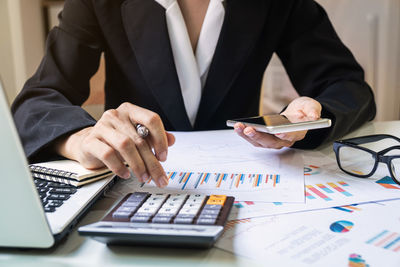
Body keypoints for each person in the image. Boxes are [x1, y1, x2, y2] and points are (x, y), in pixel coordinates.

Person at [11, 0, 376, 188]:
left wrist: (313, 116)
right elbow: (36, 101)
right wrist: (82, 139)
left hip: (250, 190)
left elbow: (348, 86)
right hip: (133, 187)